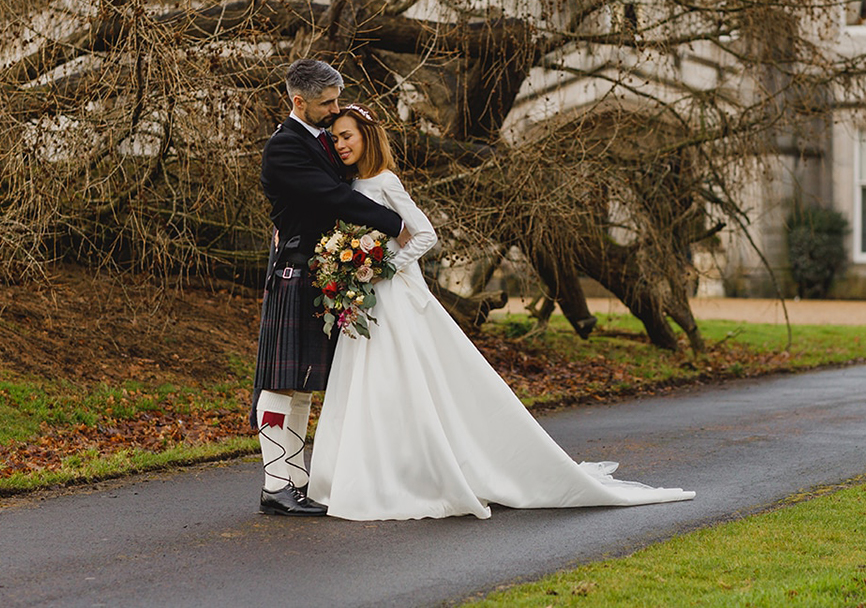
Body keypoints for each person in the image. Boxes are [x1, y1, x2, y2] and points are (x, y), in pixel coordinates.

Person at [307, 104, 695, 520]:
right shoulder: (351, 185)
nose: (341, 144)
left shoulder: (385, 181)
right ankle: (362, 473)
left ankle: (409, 474)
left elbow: (425, 235)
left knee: (397, 383)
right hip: (366, 302)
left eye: (348, 135)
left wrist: (384, 266)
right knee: (367, 383)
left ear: (367, 136)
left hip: (391, 296)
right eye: (336, 138)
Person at [254, 61, 405, 517]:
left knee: (301, 386)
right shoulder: (284, 149)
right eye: (328, 103)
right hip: (294, 273)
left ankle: (294, 481)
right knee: (280, 385)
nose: (336, 110)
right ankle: (275, 484)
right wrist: (395, 223)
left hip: (318, 275)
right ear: (299, 101)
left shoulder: (319, 140)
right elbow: (332, 197)